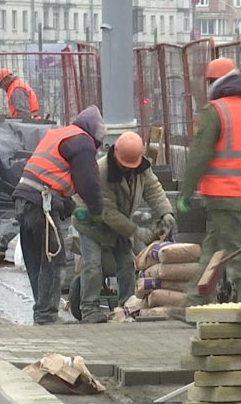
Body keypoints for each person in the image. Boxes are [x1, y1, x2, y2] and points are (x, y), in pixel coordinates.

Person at [12, 106, 106, 325]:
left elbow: (51, 174)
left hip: (23, 198)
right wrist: (97, 212)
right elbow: (89, 184)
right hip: (40, 203)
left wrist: (69, 206)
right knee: (54, 260)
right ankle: (46, 316)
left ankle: (42, 312)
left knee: (36, 259)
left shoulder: (60, 134)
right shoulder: (82, 141)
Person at [178, 58, 241, 305]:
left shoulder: (215, 111)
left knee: (239, 256)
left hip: (223, 194)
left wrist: (185, 192)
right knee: (212, 250)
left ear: (215, 83)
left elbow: (199, 155)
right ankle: (194, 303)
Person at [73, 131, 176, 323]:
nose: (126, 167)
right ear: (116, 153)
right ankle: (89, 309)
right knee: (93, 264)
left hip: (119, 223)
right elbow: (108, 211)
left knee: (127, 264)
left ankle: (127, 308)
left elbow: (153, 189)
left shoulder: (141, 168)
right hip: (92, 223)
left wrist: (166, 212)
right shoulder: (102, 170)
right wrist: (136, 231)